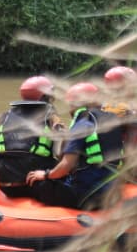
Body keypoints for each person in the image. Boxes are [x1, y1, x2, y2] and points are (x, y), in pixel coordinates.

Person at [27, 82, 125, 210]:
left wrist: (45, 175)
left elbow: (66, 165)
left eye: (71, 104)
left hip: (87, 196)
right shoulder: (113, 119)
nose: (70, 108)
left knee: (39, 183)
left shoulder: (82, 123)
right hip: (111, 192)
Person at [0, 75, 65, 201]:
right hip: (34, 184)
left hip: (5, 186)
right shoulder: (51, 117)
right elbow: (65, 148)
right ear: (43, 96)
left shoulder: (4, 116)